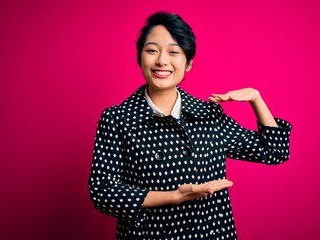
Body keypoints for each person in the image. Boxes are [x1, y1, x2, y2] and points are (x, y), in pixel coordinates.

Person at [88, 11, 292, 240]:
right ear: (140, 58)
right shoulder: (117, 119)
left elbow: (274, 152)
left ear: (189, 64)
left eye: (174, 52)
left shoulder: (208, 114)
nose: (162, 61)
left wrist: (256, 99)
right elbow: (103, 193)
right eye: (152, 50)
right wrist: (174, 196)